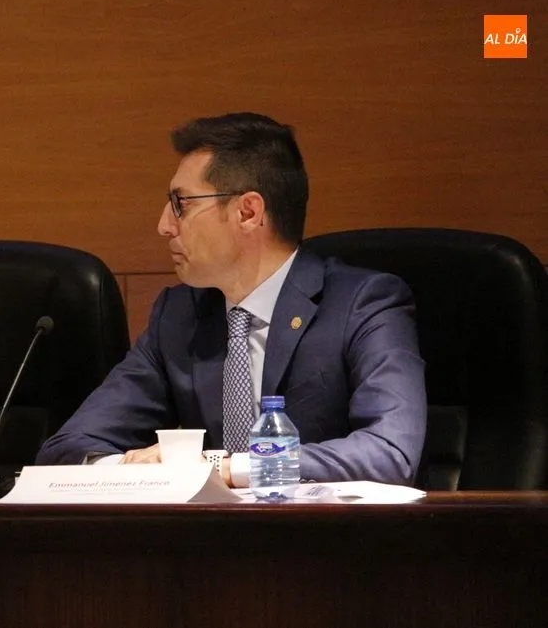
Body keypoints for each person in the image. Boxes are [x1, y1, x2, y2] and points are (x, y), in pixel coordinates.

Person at [36, 112, 427, 486]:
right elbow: (67, 448)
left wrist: (228, 467)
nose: (164, 225)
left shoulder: (362, 304)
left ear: (248, 212)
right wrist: (130, 469)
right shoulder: (178, 316)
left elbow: (390, 452)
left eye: (181, 204)